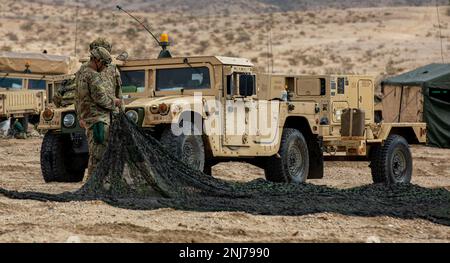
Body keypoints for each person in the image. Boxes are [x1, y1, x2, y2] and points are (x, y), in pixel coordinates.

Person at [76, 46, 122, 179]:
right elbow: (100, 98)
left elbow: (78, 98)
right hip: (98, 120)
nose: (105, 68)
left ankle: (95, 182)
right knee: (99, 153)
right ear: (97, 60)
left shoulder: (82, 74)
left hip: (90, 118)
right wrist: (115, 102)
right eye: (104, 64)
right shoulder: (94, 76)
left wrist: (80, 116)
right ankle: (95, 183)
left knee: (95, 152)